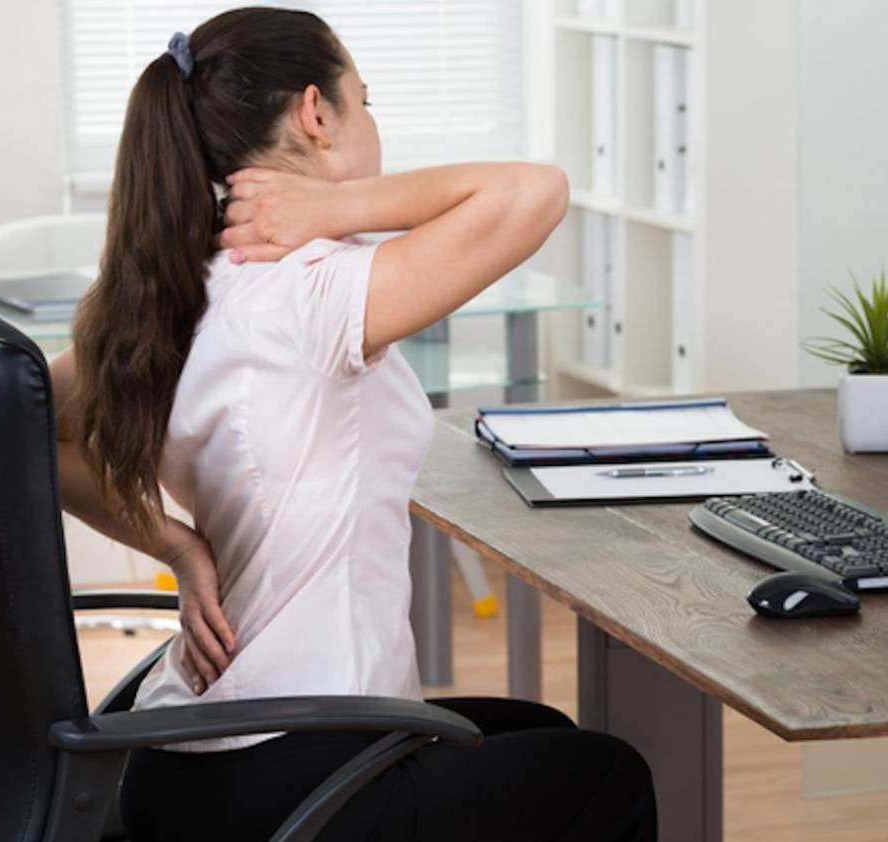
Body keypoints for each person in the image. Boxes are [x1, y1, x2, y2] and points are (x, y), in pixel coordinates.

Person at [48, 7, 656, 841]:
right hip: (296, 771)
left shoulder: (171, 287)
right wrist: (335, 209)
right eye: (364, 102)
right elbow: (535, 191)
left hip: (178, 760)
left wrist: (177, 548)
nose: (374, 124)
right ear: (315, 113)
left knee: (540, 735)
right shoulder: (311, 287)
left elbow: (24, 428)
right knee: (611, 777)